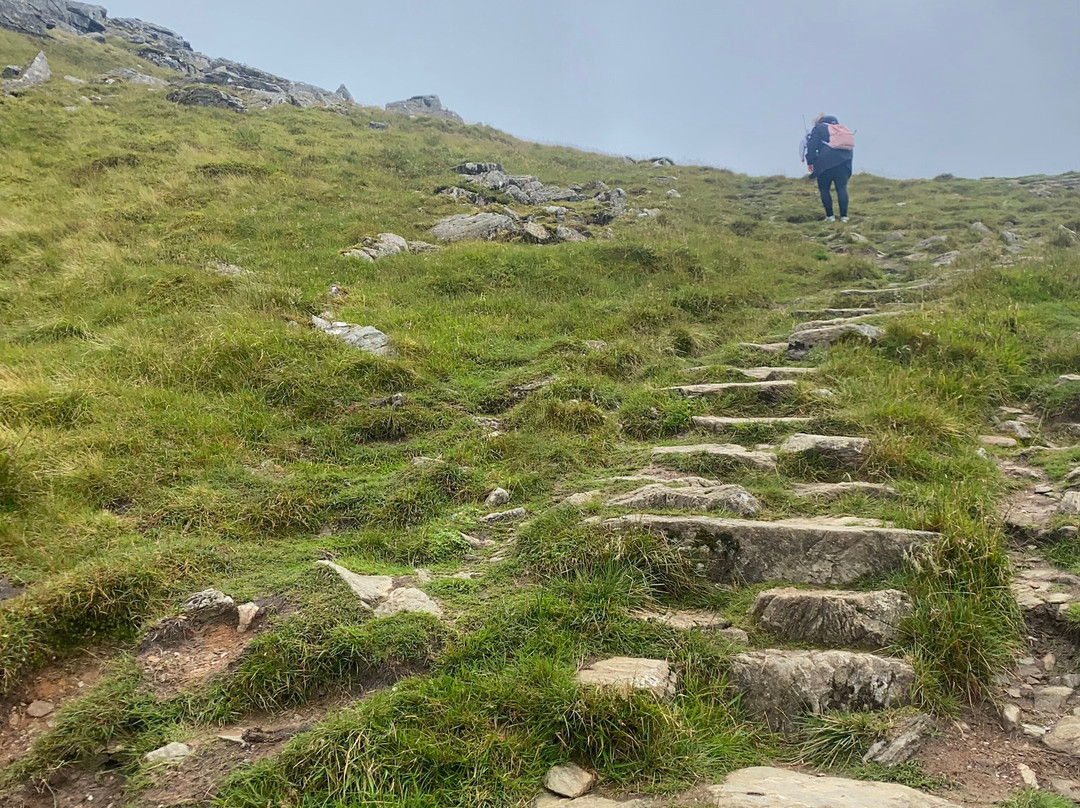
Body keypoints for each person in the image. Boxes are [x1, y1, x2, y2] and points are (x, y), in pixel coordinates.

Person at [804, 114, 854, 222]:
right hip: (845, 163)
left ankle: (830, 216)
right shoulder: (842, 130)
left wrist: (811, 162)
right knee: (841, 188)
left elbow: (812, 145)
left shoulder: (819, 128)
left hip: (825, 162)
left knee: (824, 189)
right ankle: (844, 217)